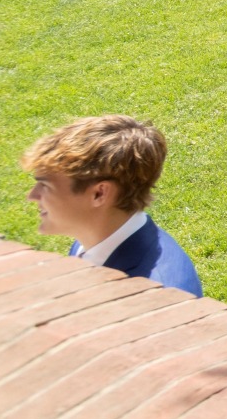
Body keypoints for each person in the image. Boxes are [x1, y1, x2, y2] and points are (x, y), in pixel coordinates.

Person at [21, 115, 203, 295]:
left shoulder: (156, 295)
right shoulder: (91, 240)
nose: (33, 196)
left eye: (45, 185)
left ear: (99, 193)